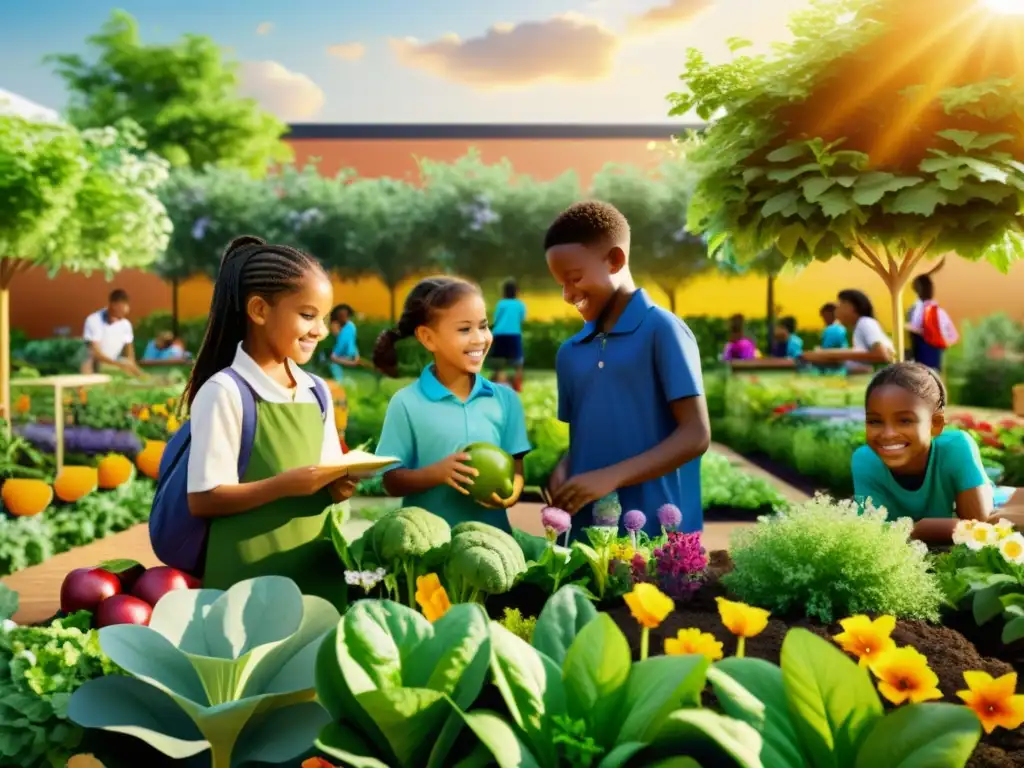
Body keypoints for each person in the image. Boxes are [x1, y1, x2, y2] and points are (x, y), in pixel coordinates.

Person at [184, 235, 355, 602]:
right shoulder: (225, 392)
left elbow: (324, 477)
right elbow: (203, 499)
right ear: (259, 310)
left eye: (323, 318)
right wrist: (285, 484)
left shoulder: (317, 391)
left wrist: (339, 485)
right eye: (308, 316)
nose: (321, 331)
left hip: (315, 577)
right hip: (245, 582)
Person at [543, 201, 710, 538]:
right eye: (561, 283)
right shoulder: (570, 353)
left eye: (574, 278)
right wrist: (565, 467)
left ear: (615, 260)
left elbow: (695, 435)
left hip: (656, 532)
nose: (567, 294)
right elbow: (590, 435)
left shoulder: (663, 330)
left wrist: (610, 477)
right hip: (587, 534)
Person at [372, 276, 531, 531]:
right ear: (427, 338)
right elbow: (390, 481)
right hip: (427, 553)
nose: (480, 338)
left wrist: (512, 493)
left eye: (484, 326)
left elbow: (517, 470)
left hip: (494, 545)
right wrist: (437, 473)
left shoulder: (506, 400)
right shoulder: (407, 403)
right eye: (465, 329)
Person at [852, 362, 1020, 544]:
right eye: (875, 422)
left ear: (936, 424)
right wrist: (922, 529)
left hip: (1003, 503)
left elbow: (979, 527)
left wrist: (918, 529)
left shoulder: (956, 446)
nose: (888, 434)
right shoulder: (865, 461)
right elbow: (869, 531)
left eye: (905, 421)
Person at [801, 289, 894, 371]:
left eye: (839, 305)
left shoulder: (865, 322)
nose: (836, 311)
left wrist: (833, 354)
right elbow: (863, 357)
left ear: (851, 307)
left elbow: (882, 355)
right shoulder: (858, 326)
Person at [80, 289, 143, 376]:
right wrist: (119, 365)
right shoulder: (94, 320)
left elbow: (130, 354)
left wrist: (134, 369)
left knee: (131, 370)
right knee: (88, 362)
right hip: (95, 363)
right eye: (120, 311)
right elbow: (96, 353)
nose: (122, 316)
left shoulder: (125, 324)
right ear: (113, 306)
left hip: (113, 361)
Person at [907, 271, 958, 372]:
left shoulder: (919, 308)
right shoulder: (939, 311)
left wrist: (905, 326)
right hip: (936, 354)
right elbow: (953, 336)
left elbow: (916, 327)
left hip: (921, 354)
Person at [490, 279, 528, 392]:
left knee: (499, 361)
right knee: (518, 361)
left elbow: (496, 319)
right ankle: (517, 384)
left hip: (499, 334)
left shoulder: (501, 304)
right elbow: (522, 319)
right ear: (516, 291)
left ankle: (498, 383)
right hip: (514, 334)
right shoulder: (520, 305)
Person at [328, 304, 360, 382]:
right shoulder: (335, 327)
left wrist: (356, 355)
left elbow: (352, 342)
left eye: (345, 315)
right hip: (338, 358)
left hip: (348, 356)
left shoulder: (350, 327)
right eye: (340, 315)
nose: (343, 317)